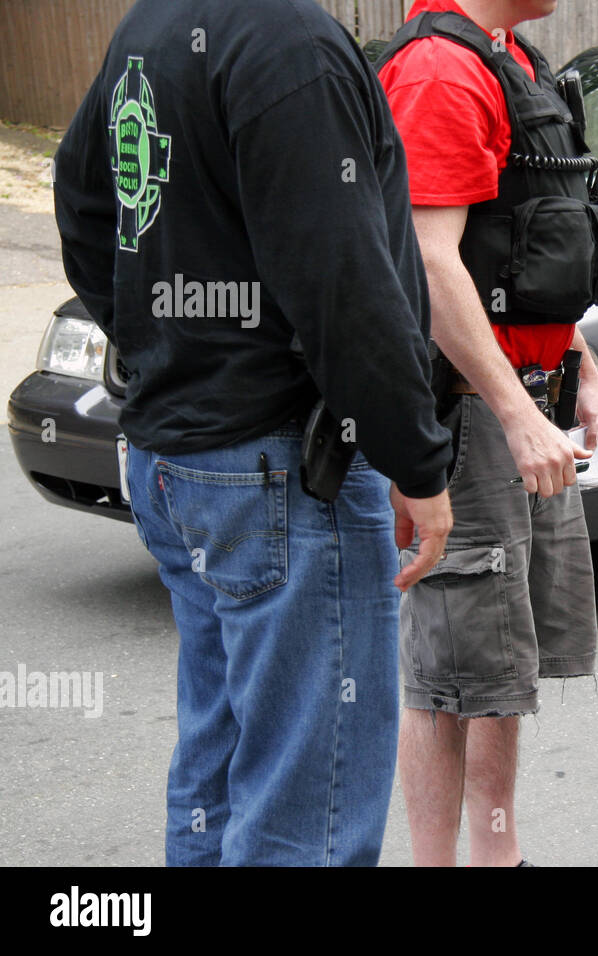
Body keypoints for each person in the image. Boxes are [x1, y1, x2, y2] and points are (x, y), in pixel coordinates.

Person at [54, 0, 455, 866]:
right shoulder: (289, 43)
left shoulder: (154, 24)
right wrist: (417, 463)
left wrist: (164, 348)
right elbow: (345, 286)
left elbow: (83, 206)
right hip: (276, 469)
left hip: (182, 458)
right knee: (307, 811)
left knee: (221, 769)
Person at [377, 0, 598, 867]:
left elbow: (513, 251)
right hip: (469, 409)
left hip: (525, 395)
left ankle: (498, 858)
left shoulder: (507, 54)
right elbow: (429, 261)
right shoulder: (440, 71)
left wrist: (580, 366)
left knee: (499, 662)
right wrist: (517, 413)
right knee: (448, 671)